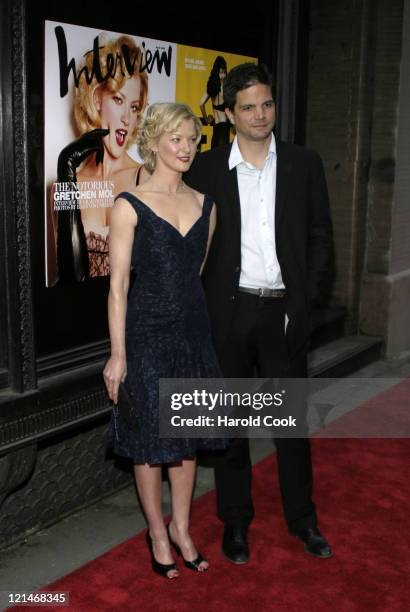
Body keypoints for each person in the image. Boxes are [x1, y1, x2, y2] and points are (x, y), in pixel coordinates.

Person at [186, 63, 334, 564]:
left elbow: (319, 238)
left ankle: (303, 520)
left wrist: (305, 302)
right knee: (229, 425)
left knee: (289, 425)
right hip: (228, 312)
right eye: (247, 107)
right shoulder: (206, 169)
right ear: (228, 113)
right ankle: (235, 523)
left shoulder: (303, 163)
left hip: (282, 313)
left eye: (267, 104)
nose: (260, 115)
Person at [103, 102, 226, 578]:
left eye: (193, 139)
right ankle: (156, 532)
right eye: (176, 139)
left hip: (193, 333)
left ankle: (182, 527)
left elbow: (193, 275)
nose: (187, 148)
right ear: (153, 142)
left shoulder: (205, 205)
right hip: (146, 335)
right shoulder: (128, 205)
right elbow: (117, 286)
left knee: (187, 437)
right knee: (150, 440)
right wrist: (118, 355)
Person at [51, 35, 149, 283]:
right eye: (118, 100)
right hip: (83, 315)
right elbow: (67, 276)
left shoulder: (146, 178)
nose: (127, 118)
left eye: (135, 107)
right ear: (96, 100)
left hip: (135, 315)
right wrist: (67, 169)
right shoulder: (65, 184)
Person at [199, 56, 231, 148]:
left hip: (216, 129)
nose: (223, 75)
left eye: (224, 72)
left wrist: (206, 119)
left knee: (214, 158)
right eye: (221, 72)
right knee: (221, 160)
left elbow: (201, 104)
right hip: (224, 130)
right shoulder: (225, 88)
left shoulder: (212, 88)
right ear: (217, 72)